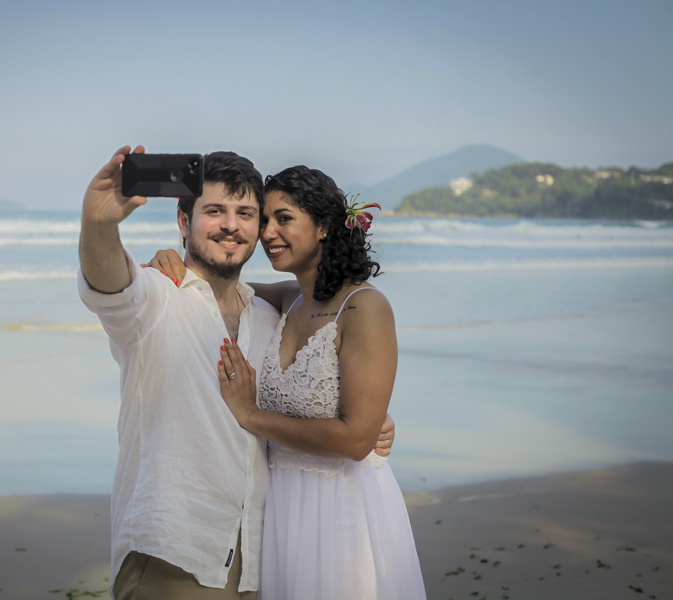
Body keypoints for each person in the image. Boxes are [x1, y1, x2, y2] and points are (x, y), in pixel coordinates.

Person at [77, 147, 395, 600]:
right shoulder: (155, 298)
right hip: (176, 554)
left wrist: (370, 420)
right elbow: (108, 283)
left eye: (247, 213)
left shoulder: (271, 316)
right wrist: (100, 225)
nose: (233, 224)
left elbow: (321, 361)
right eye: (214, 211)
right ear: (184, 222)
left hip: (261, 559)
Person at [149, 165, 426, 599]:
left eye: (284, 218)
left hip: (343, 509)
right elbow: (218, 282)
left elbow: (356, 440)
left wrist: (250, 415)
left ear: (324, 227)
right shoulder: (286, 298)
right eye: (265, 220)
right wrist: (170, 262)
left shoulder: (365, 307)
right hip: (280, 509)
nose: (267, 233)